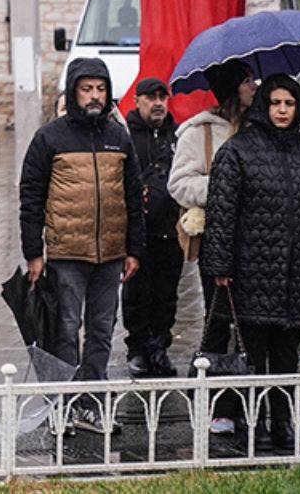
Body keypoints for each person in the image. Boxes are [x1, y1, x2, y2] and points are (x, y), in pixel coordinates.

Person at [200, 74, 300, 453]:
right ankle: (255, 422)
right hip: (251, 272)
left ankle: (282, 421)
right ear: (265, 105)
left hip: (295, 273)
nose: (283, 110)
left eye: (290, 103)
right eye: (276, 103)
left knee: (286, 356)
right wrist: (220, 265)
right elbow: (222, 213)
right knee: (253, 355)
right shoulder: (237, 151)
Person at [19, 57, 144, 434]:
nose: (94, 96)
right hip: (67, 254)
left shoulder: (119, 137)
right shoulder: (50, 138)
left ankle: (92, 404)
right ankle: (63, 407)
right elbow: (31, 196)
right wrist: (33, 253)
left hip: (110, 255)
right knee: (65, 331)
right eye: (86, 88)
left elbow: (134, 196)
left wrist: (134, 249)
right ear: (73, 91)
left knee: (102, 332)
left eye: (100, 89)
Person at [167, 59, 256, 437]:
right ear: (233, 87)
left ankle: (253, 403)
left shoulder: (262, 128)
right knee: (219, 322)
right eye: (248, 81)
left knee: (255, 325)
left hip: (258, 243)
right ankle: (218, 404)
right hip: (218, 243)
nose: (255, 86)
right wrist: (222, 189)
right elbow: (179, 184)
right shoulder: (200, 133)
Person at [121, 78, 182, 378]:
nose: (158, 103)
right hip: (137, 231)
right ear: (137, 101)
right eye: (151, 97)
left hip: (171, 230)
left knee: (166, 294)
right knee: (137, 293)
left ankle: (159, 347)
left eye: (163, 97)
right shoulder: (126, 135)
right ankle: (137, 350)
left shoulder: (176, 134)